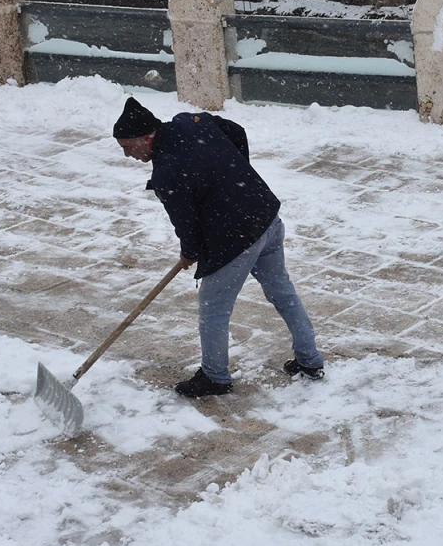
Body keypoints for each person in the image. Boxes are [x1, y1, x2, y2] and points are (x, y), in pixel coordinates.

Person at [112, 96, 325, 397]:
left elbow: (186, 224)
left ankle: (214, 377)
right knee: (283, 292)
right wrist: (239, 177)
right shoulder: (189, 122)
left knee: (213, 309)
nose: (127, 155)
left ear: (146, 137)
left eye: (127, 147)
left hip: (235, 237)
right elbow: (235, 130)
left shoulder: (166, 174)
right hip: (265, 216)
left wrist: (190, 251)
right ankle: (310, 360)